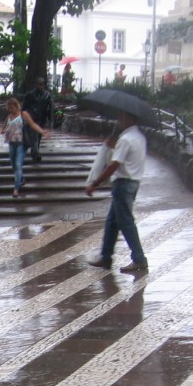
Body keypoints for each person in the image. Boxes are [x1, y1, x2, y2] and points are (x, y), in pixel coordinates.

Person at [85, 111, 149, 273]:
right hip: (134, 182)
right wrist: (114, 146)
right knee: (112, 222)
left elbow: (114, 165)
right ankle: (105, 257)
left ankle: (139, 259)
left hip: (123, 184)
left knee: (126, 222)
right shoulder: (139, 137)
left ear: (129, 118)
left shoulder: (125, 139)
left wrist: (95, 183)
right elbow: (128, 157)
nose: (118, 120)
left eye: (121, 117)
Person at [0, 97, 48, 199]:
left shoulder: (23, 114)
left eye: (11, 108)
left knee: (18, 164)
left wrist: (42, 131)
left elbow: (32, 124)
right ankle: (22, 179)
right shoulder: (9, 117)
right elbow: (4, 128)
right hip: (12, 143)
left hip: (21, 143)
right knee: (13, 165)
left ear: (16, 106)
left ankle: (16, 189)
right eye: (9, 108)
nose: (10, 110)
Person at [22, 77, 52, 162]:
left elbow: (50, 107)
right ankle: (36, 154)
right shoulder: (30, 94)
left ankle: (34, 152)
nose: (41, 86)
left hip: (42, 119)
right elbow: (24, 107)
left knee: (38, 137)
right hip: (32, 119)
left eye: (42, 84)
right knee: (34, 137)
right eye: (39, 84)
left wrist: (51, 117)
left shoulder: (47, 95)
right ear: (36, 85)